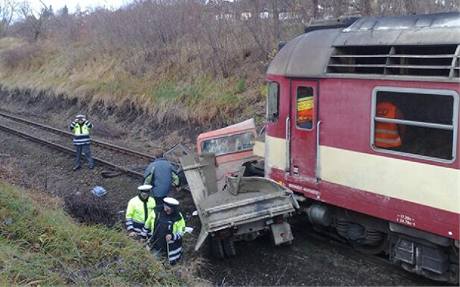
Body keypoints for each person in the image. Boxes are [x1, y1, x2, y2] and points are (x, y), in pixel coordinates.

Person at [142, 197, 185, 264]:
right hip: (156, 244)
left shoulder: (178, 217)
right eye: (165, 208)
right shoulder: (156, 212)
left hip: (170, 247)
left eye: (168, 209)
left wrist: (172, 236)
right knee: (153, 262)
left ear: (173, 208)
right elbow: (147, 224)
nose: (166, 210)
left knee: (169, 265)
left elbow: (181, 232)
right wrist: (143, 236)